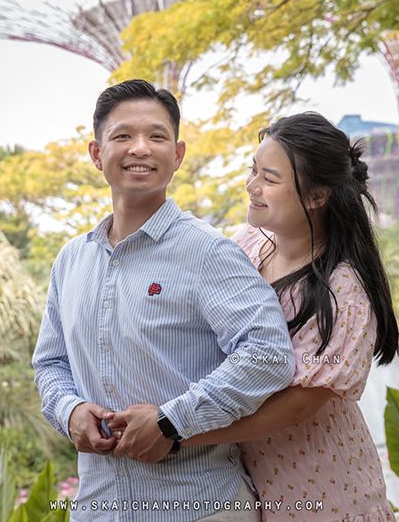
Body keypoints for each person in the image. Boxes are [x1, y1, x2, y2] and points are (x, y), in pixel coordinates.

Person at [32, 79, 296, 522]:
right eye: (122, 136)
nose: (140, 148)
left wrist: (171, 422)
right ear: (97, 155)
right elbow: (50, 363)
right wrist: (69, 410)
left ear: (177, 155)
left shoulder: (209, 251)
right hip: (97, 509)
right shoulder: (70, 260)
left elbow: (269, 354)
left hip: (201, 506)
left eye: (156, 136)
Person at [113, 112, 399, 521]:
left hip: (330, 494)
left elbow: (298, 404)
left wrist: (173, 431)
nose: (252, 186)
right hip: (253, 491)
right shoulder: (248, 246)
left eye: (270, 177)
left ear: (317, 196)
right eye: (253, 171)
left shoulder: (342, 288)